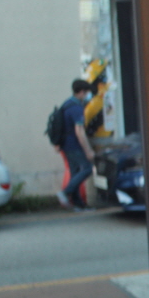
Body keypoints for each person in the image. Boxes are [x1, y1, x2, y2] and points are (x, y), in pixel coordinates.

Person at [55, 79, 96, 211]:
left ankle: (78, 204)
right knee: (87, 168)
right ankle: (65, 192)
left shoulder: (67, 104)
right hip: (74, 145)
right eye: (87, 93)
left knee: (75, 173)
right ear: (82, 92)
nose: (88, 95)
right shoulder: (77, 108)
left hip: (66, 145)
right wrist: (88, 151)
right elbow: (80, 132)